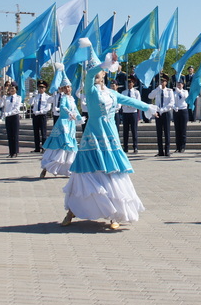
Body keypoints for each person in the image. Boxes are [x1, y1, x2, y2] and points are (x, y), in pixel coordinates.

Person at [61, 46, 155, 230]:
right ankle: (71, 210)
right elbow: (89, 75)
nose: (97, 75)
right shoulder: (91, 90)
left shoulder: (112, 93)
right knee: (85, 173)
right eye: (96, 72)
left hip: (110, 136)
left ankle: (115, 213)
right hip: (93, 135)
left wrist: (148, 108)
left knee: (112, 173)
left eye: (100, 73)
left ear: (105, 75)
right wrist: (103, 64)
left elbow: (130, 101)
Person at [40, 67, 82, 178]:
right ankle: (46, 166)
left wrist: (79, 117)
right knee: (60, 145)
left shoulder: (72, 99)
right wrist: (69, 113)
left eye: (69, 87)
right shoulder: (63, 98)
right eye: (65, 87)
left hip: (71, 125)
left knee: (69, 147)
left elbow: (75, 110)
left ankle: (68, 169)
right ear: (63, 89)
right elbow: (62, 107)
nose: (68, 89)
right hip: (63, 124)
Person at [149, 74, 174, 157]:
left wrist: (163, 109)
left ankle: (167, 151)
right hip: (158, 114)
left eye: (164, 81)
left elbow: (171, 103)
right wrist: (157, 89)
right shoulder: (157, 90)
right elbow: (150, 96)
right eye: (161, 81)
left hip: (166, 113)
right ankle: (160, 151)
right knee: (159, 133)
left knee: (167, 132)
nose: (162, 83)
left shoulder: (170, 91)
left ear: (166, 82)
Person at [0, 81, 22, 158]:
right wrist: (2, 97)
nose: (11, 90)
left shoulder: (18, 97)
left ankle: (15, 152)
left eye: (13, 88)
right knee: (9, 135)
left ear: (16, 89)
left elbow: (16, 109)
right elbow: (0, 105)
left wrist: (7, 113)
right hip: (8, 118)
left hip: (14, 117)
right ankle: (11, 152)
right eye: (10, 88)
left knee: (15, 135)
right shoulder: (6, 98)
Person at [29, 80, 52, 153]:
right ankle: (37, 148)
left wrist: (40, 112)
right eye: (39, 87)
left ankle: (44, 147)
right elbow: (30, 103)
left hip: (42, 115)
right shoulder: (36, 96)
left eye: (42, 87)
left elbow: (48, 108)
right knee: (36, 132)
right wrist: (33, 96)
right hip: (35, 116)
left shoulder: (47, 97)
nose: (41, 89)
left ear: (45, 89)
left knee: (43, 132)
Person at [120, 77, 141, 153]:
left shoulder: (136, 92)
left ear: (133, 83)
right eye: (128, 82)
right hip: (125, 112)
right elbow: (121, 102)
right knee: (125, 131)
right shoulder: (124, 92)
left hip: (133, 112)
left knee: (134, 130)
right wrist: (126, 105)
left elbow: (138, 102)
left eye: (131, 82)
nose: (129, 84)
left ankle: (135, 147)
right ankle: (125, 147)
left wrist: (131, 105)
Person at [172, 80, 189, 153]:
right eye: (178, 84)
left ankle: (182, 146)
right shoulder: (174, 92)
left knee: (183, 129)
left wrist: (180, 91)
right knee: (177, 129)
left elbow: (184, 97)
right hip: (176, 111)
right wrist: (174, 107)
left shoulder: (185, 91)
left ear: (183, 85)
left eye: (180, 84)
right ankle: (177, 147)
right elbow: (171, 101)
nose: (179, 85)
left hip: (183, 110)